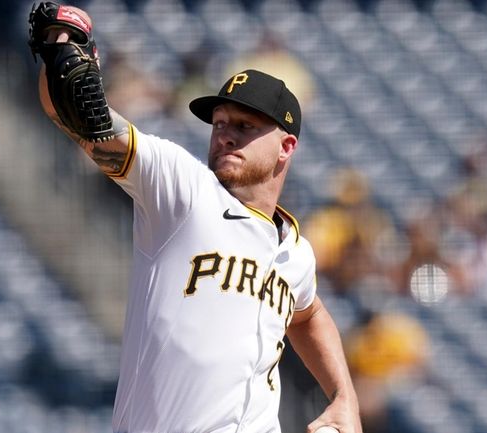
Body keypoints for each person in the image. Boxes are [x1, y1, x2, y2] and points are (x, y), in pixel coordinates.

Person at [28, 3, 361, 432]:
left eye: (244, 125)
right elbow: (74, 116)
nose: (225, 133)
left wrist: (344, 396)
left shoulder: (295, 251)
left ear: (286, 146)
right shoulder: (182, 190)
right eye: (219, 122)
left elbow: (309, 314)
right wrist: (61, 49)